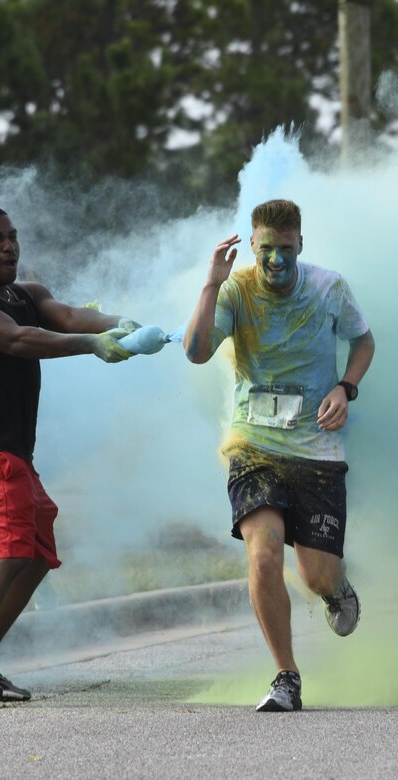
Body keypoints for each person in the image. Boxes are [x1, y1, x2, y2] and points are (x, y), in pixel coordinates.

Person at [0, 205, 140, 705]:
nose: (8, 247)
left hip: (13, 451)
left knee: (37, 552)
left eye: (13, 237)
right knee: (10, 550)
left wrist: (120, 323)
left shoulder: (26, 294)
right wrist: (93, 345)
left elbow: (64, 314)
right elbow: (15, 339)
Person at [183, 199, 375, 712]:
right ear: (253, 246)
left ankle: (334, 587)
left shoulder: (328, 287)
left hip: (318, 447)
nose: (275, 262)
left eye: (285, 250)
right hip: (254, 445)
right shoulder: (236, 290)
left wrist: (345, 387)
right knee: (263, 554)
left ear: (300, 244)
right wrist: (210, 285)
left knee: (315, 575)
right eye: (266, 250)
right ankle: (286, 676)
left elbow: (363, 342)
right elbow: (196, 351)